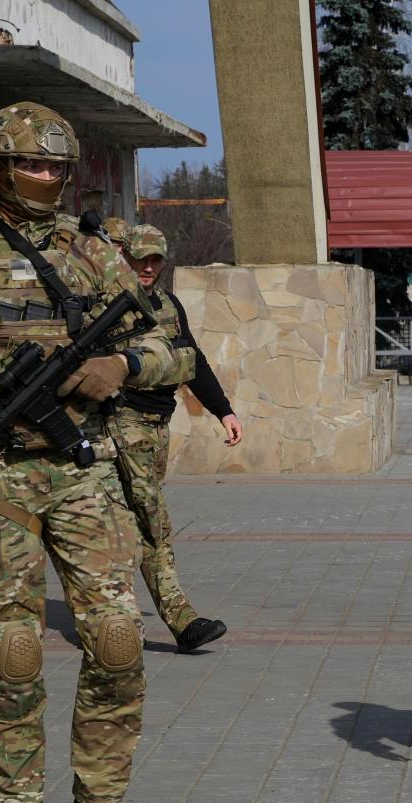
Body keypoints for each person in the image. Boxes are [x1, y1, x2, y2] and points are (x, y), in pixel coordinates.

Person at [0, 101, 192, 803]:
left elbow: (175, 349)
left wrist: (119, 363)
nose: (46, 177)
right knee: (16, 651)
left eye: (57, 167)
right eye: (33, 163)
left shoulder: (93, 254)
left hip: (84, 476)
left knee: (119, 641)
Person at [114, 223, 239, 653]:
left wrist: (223, 411)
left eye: (155, 259)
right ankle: (179, 619)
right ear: (124, 256)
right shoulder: (109, 306)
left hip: (156, 426)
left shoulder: (167, 304)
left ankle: (115, 615)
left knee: (132, 520)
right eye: (140, 258)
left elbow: (193, 360)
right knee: (152, 520)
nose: (148, 267)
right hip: (122, 422)